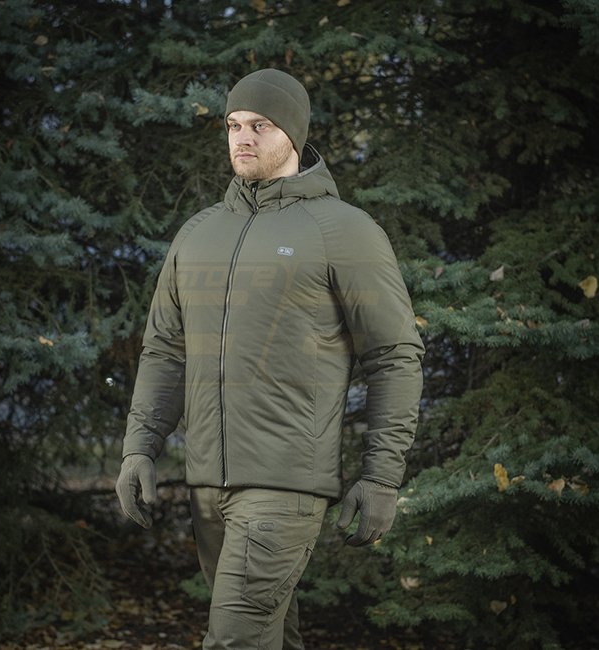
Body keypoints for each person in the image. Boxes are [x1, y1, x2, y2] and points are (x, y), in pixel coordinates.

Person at [116, 68, 425, 650]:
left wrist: (382, 475)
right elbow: (166, 351)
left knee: (233, 639)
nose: (243, 137)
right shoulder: (198, 233)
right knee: (270, 638)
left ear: (293, 133)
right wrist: (140, 447)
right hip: (207, 485)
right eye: (234, 125)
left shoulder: (343, 230)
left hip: (284, 484)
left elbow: (394, 356)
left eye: (259, 125)